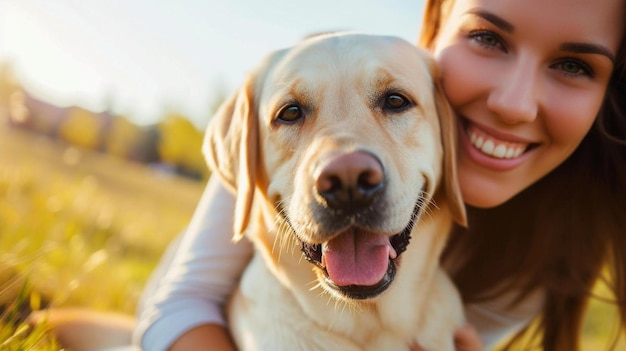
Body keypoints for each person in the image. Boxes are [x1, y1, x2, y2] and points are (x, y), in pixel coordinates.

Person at [133, 0, 626, 350]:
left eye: (394, 102)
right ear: (436, 25)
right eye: (292, 114)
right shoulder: (300, 68)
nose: (513, 106)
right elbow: (176, 303)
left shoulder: (552, 245)